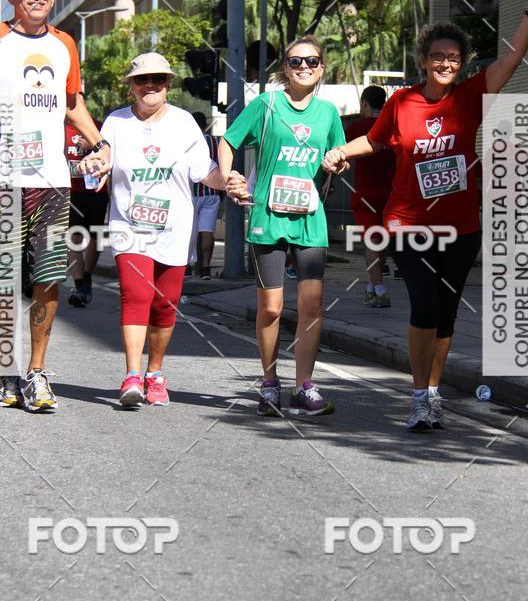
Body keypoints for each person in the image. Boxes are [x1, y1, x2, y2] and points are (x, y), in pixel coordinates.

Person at [323, 0, 528, 430]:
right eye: (437, 56)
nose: (445, 63)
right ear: (423, 59)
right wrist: (341, 153)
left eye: (454, 57)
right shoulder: (402, 101)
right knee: (424, 305)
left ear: (461, 62)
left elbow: (512, 59)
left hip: (462, 226)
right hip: (408, 223)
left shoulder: (470, 97)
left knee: (446, 313)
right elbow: (373, 140)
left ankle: (432, 391)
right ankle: (415, 394)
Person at [0, 0, 111, 411]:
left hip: (53, 184)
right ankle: (5, 371)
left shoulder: (64, 44)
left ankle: (36, 372)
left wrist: (98, 141)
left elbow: (71, 103)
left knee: (46, 279)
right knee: (2, 281)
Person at [84, 52, 226, 408]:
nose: (150, 86)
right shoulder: (116, 122)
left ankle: (155, 373)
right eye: (142, 80)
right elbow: (103, 159)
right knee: (136, 296)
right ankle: (132, 375)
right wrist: (95, 163)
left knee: (165, 305)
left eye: (158, 80)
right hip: (129, 226)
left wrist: (228, 181)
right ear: (131, 86)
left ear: (169, 85)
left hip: (175, 228)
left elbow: (203, 171)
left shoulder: (183, 123)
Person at [219, 34, 345, 417]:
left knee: (312, 305)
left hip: (311, 219)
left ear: (322, 67)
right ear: (285, 69)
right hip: (268, 218)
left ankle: (304, 386)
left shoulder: (328, 113)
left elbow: (338, 154)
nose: (304, 67)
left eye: (311, 61)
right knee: (271, 307)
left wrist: (338, 161)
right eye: (295, 61)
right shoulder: (267, 105)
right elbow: (228, 141)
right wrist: (229, 178)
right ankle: (270, 382)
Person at [345, 85, 396, 308]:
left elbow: (342, 153)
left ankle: (379, 289)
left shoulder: (356, 126)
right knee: (381, 241)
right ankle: (371, 285)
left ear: (364, 104)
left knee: (371, 242)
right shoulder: (394, 126)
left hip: (365, 193)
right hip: (391, 193)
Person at [65, 121, 109, 306]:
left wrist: (93, 146)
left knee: (94, 237)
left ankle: (87, 276)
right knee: (73, 238)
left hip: (96, 192)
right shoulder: (59, 129)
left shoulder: (97, 128)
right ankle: (79, 284)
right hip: (72, 192)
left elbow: (110, 154)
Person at [188, 111, 222, 280]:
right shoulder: (216, 142)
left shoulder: (188, 141)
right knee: (207, 230)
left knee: (188, 230)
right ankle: (206, 269)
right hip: (212, 193)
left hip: (191, 193)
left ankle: (187, 266)